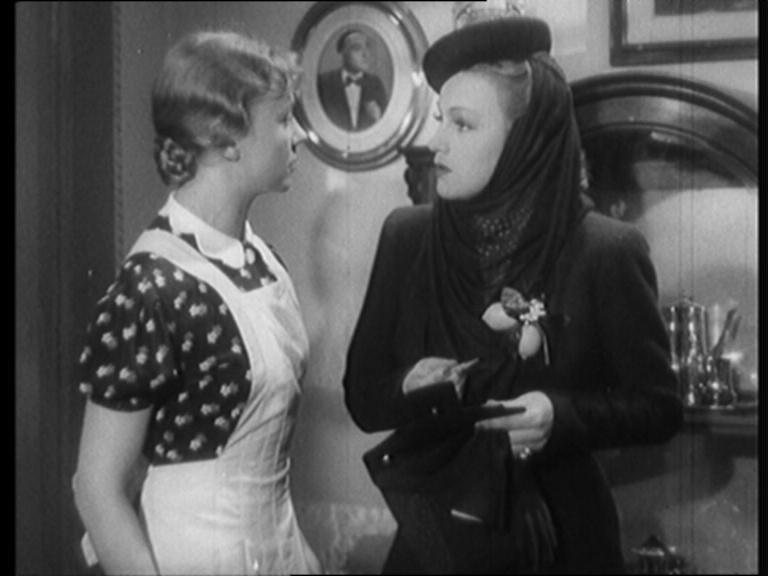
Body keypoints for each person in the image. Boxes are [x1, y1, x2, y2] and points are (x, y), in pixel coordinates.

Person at [343, 11, 683, 575]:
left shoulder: (606, 250)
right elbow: (364, 400)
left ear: (527, 140)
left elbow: (659, 408)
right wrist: (410, 386)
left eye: (462, 125)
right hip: (437, 545)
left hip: (562, 544)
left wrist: (561, 415)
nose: (436, 143)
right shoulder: (406, 237)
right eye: (440, 120)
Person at [72, 30, 320, 575]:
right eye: (283, 119)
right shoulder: (151, 287)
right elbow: (95, 487)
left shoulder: (262, 261)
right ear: (226, 138)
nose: (300, 134)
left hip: (279, 551)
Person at [317, 28, 388, 131]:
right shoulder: (324, 82)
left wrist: (378, 117)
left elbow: (386, 125)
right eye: (357, 48)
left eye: (367, 47)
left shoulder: (375, 83)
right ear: (341, 54)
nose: (365, 54)